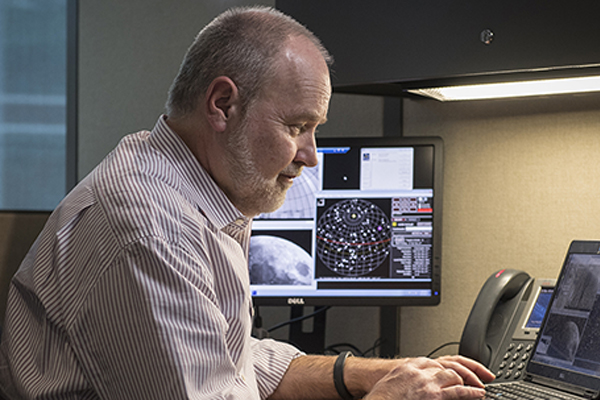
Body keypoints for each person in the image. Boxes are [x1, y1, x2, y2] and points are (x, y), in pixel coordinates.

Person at [0, 6, 494, 399]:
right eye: (297, 127)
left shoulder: (182, 184)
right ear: (222, 105)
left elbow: (228, 360)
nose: (311, 157)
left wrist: (369, 373)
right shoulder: (149, 227)